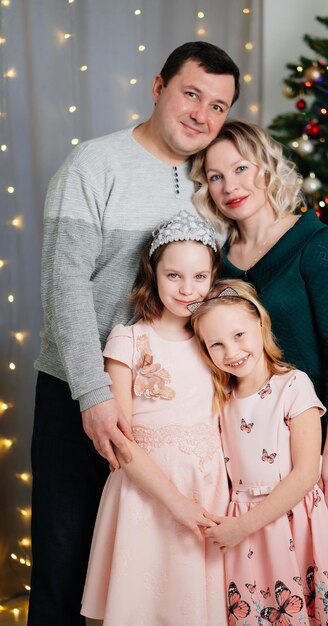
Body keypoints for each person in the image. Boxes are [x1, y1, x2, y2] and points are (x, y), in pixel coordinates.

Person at [30, 42, 239, 626]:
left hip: (173, 407)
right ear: (158, 87)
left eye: (218, 106)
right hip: (85, 391)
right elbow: (64, 284)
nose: (202, 115)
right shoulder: (94, 164)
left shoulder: (213, 182)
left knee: (152, 569)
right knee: (65, 556)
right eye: (191, 94)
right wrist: (92, 395)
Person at [190, 120, 328, 626]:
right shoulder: (218, 264)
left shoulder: (314, 242)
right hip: (258, 446)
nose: (231, 186)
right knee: (280, 577)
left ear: (266, 168)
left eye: (241, 168)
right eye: (215, 177)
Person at [81, 210, 229, 625]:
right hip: (146, 493)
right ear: (153, 273)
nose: (187, 289)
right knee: (142, 604)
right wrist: (175, 503)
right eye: (174, 276)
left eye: (200, 277)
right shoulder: (128, 339)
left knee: (193, 604)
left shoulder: (214, 342)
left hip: (207, 489)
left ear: (214, 276)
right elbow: (120, 439)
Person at [189, 279, 328, 625]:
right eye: (216, 345)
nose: (232, 352)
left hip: (295, 520)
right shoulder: (221, 400)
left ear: (259, 323)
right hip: (247, 531)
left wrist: (242, 527)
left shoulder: (293, 385)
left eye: (238, 335)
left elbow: (304, 475)